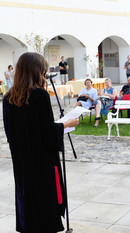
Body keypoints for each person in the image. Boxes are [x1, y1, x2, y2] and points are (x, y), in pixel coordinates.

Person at [3, 52, 79, 233]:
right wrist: (66, 124)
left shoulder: (8, 98)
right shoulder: (39, 95)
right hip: (42, 162)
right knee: (44, 203)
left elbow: (12, 133)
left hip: (22, 162)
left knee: (27, 199)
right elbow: (47, 133)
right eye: (43, 70)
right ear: (36, 71)